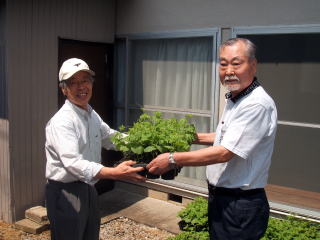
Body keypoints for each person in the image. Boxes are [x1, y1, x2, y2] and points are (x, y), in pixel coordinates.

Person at [147, 38, 277, 240]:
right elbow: (229, 137)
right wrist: (191, 137)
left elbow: (226, 152)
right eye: (223, 64)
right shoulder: (237, 97)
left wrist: (172, 159)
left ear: (253, 64)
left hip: (239, 203)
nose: (228, 70)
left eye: (236, 63)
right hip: (224, 198)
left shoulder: (255, 104)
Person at [45, 58, 146, 240]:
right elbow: (73, 163)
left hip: (89, 187)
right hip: (66, 192)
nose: (81, 87)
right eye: (73, 82)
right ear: (64, 89)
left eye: (85, 80)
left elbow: (110, 137)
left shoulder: (91, 114)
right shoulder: (62, 121)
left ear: (91, 84)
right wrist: (114, 173)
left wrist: (143, 142)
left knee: (90, 235)